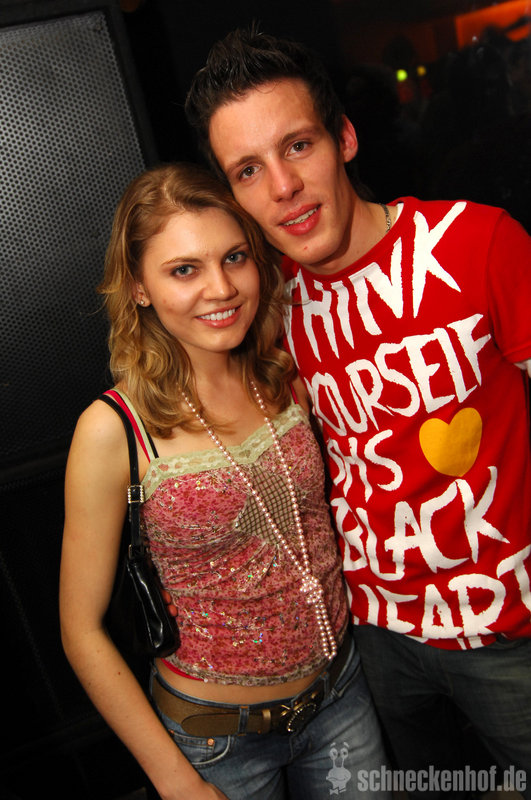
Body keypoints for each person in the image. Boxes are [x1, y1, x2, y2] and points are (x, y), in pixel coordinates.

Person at [184, 27, 531, 797]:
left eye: (297, 146)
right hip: (369, 644)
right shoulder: (262, 308)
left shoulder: (477, 242)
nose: (282, 186)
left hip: (508, 631)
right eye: (248, 169)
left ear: (342, 138)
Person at [59, 162, 391, 800]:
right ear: (139, 288)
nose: (221, 288)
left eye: (234, 257)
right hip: (218, 744)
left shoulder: (282, 373)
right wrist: (175, 781)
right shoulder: (112, 429)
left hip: (341, 696)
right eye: (184, 270)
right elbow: (81, 630)